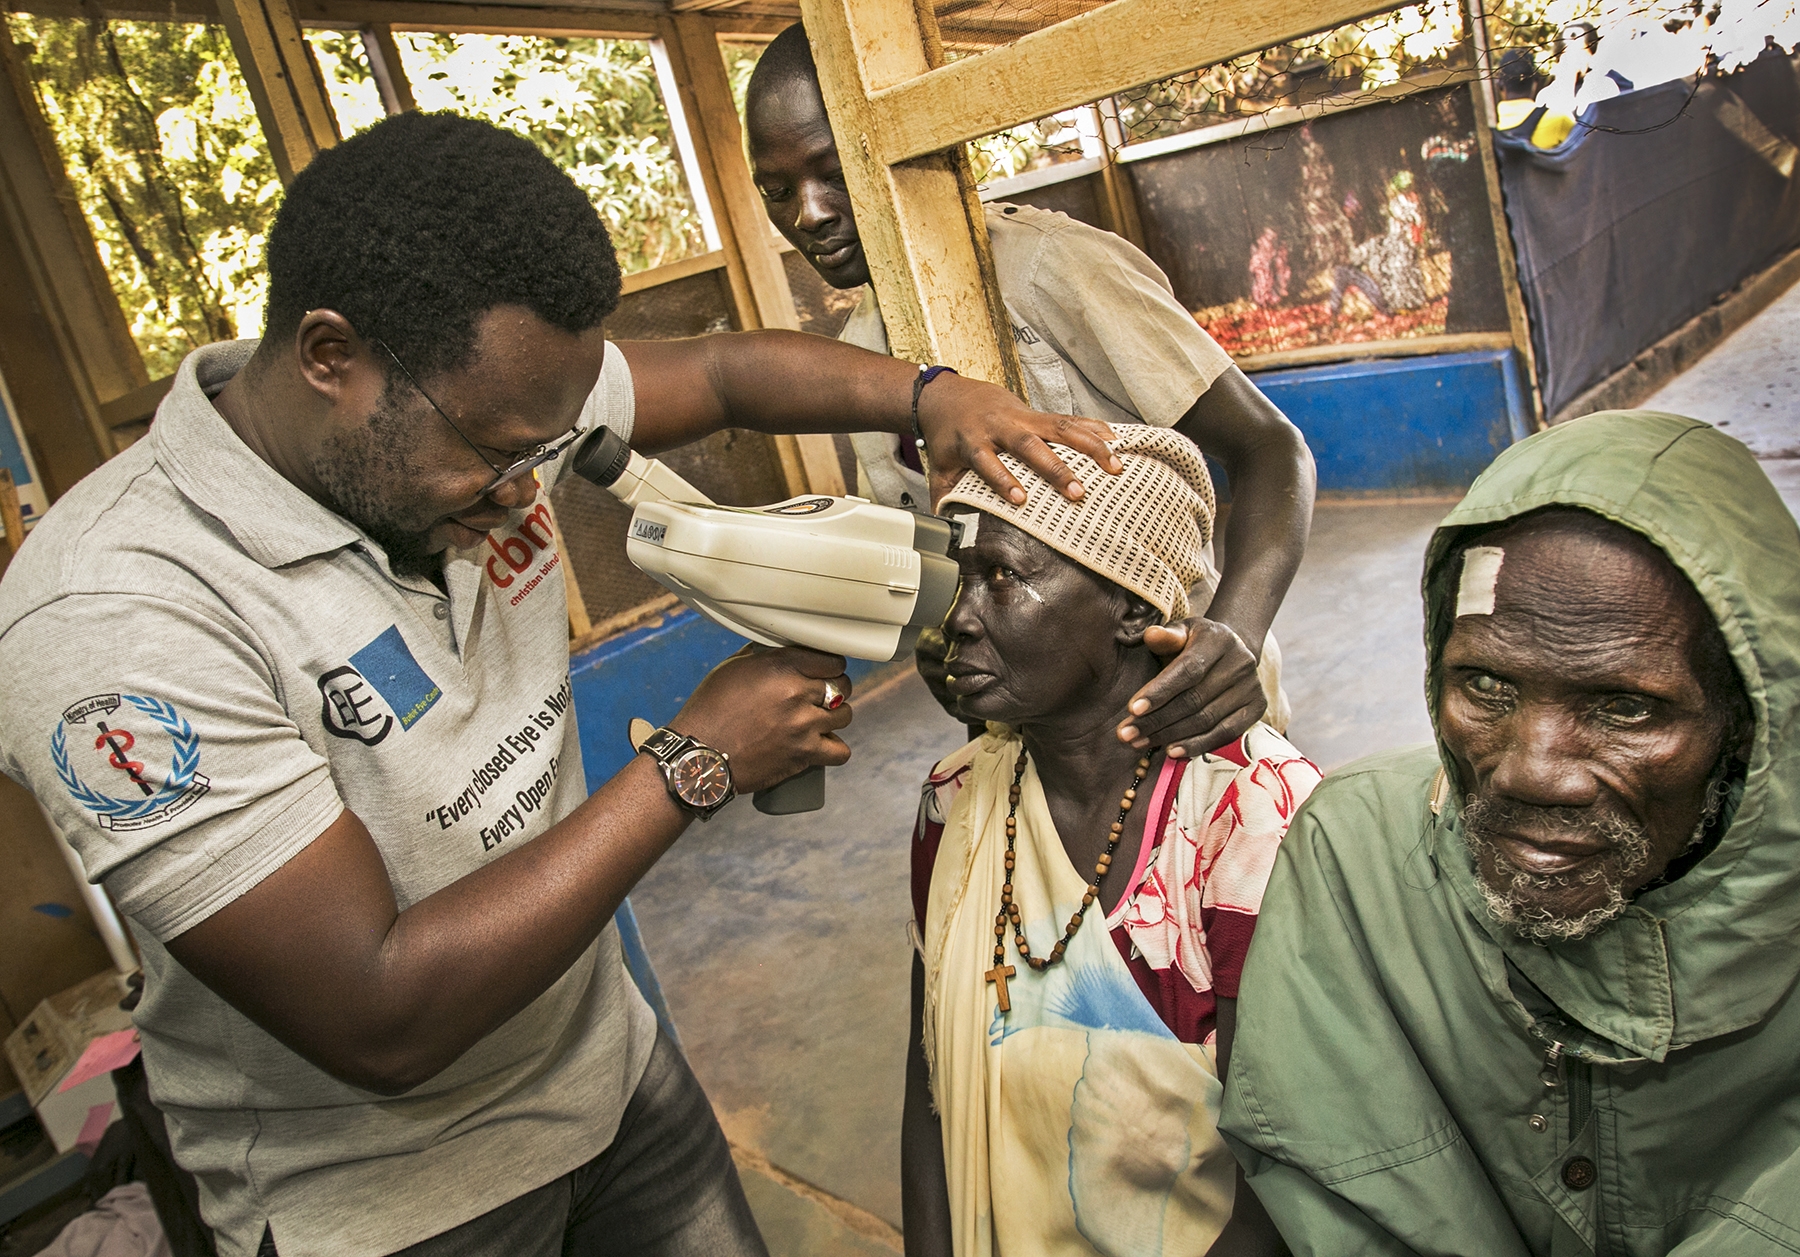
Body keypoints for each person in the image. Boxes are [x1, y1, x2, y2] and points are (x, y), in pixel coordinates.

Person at [0, 112, 1125, 1257]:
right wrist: (692, 764)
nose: (527, 491)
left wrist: (931, 395)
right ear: (331, 357)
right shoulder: (113, 617)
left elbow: (723, 372)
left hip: (610, 1082)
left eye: (548, 449)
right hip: (396, 1208)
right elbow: (380, 1016)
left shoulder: (483, 396)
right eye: (498, 457)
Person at [1218, 410, 1796, 1254]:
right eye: (1486, 686)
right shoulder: (1356, 857)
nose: (1532, 770)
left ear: (1748, 721)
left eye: (1625, 707)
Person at [744, 23, 1316, 757]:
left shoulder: (1051, 269)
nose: (809, 213)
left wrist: (1231, 634)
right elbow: (928, 557)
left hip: (1188, 714)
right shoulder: (861, 359)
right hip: (1045, 752)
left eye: (833, 173)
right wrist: (938, 637)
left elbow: (1271, 448)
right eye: (777, 190)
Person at [906, 424, 1321, 1256]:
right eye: (961, 578)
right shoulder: (957, 802)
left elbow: (1287, 1171)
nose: (958, 621)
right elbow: (930, 1096)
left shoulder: (1245, 817)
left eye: (1003, 577)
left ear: (1132, 607)